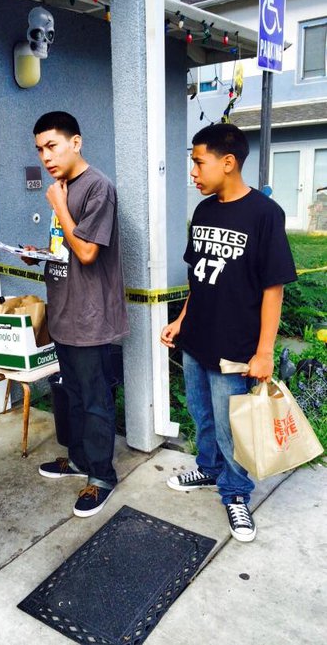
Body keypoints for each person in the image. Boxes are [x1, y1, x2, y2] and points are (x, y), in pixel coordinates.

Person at [161, 123, 296, 542]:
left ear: (228, 162)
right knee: (202, 416)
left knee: (231, 425)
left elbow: (273, 288)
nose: (193, 172)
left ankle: (236, 494)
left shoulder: (264, 214)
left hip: (235, 346)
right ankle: (209, 467)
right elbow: (199, 278)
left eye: (199, 163)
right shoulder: (204, 211)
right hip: (197, 338)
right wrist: (182, 321)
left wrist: (265, 352)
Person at [23, 111, 129, 518]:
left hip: (90, 318)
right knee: (73, 395)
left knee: (96, 400)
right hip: (64, 312)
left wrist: (59, 203)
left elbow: (86, 251)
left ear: (76, 143)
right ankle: (81, 461)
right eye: (39, 149)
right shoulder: (64, 187)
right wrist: (39, 256)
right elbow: (66, 246)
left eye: (52, 146)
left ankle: (101, 476)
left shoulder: (97, 188)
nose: (45, 156)